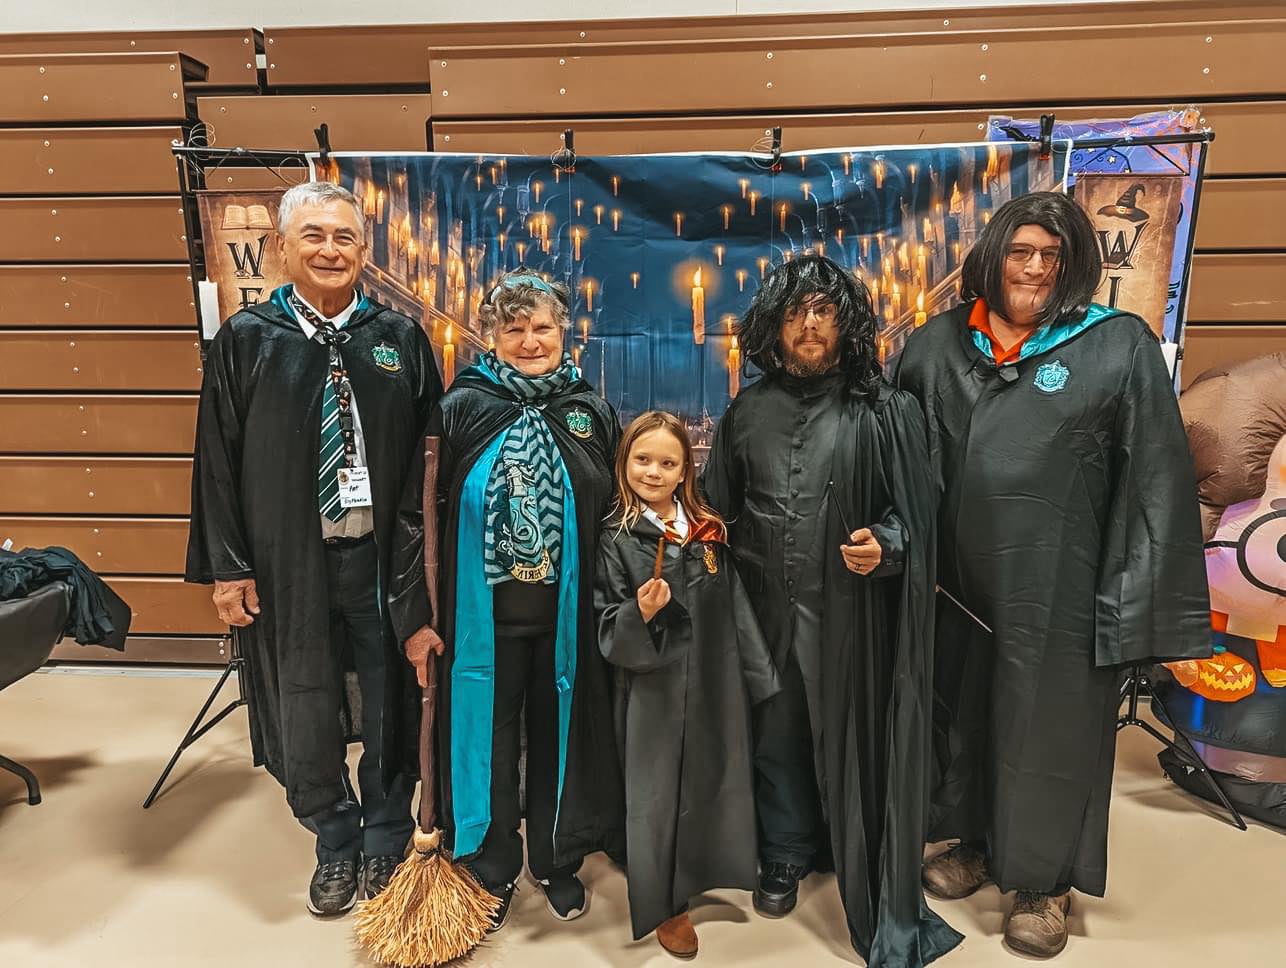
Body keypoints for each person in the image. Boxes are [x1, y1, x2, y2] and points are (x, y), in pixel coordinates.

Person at [894, 191, 1210, 958]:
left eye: (1052, 255)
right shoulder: (937, 346)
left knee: (1051, 732)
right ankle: (976, 842)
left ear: (1073, 265)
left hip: (1060, 589)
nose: (1035, 268)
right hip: (954, 587)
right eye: (1020, 251)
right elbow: (893, 462)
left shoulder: (1115, 346)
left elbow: (1155, 478)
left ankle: (1043, 884)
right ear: (992, 257)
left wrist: (1143, 604)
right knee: (966, 718)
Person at [185, 181, 443, 916]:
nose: (331, 250)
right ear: (283, 247)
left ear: (364, 249)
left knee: (390, 693)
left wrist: (427, 571)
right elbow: (217, 460)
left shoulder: (399, 339)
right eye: (314, 236)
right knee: (303, 696)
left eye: (344, 237)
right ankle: (333, 834)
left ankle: (386, 831)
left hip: (380, 561)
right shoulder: (247, 339)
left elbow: (431, 464)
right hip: (286, 561)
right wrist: (229, 567)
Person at [703, 255, 962, 966]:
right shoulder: (746, 411)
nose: (810, 325)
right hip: (763, 608)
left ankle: (858, 852)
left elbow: (921, 513)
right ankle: (786, 850)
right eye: (795, 313)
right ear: (773, 327)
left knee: (853, 732)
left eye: (823, 311)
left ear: (845, 322)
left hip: (851, 613)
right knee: (777, 728)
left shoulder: (885, 409)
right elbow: (715, 508)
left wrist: (889, 544)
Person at [389, 268, 625, 932]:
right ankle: (491, 864)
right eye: (514, 328)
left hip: (566, 623)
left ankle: (556, 858)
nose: (530, 341)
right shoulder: (462, 408)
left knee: (559, 741)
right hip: (481, 624)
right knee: (487, 747)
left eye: (542, 327)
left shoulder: (589, 412)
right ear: (491, 336)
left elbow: (615, 514)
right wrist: (415, 617)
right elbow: (416, 518)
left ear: (563, 332)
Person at [595, 411, 780, 958]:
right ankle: (664, 902)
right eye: (642, 459)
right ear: (624, 462)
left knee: (712, 777)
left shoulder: (705, 530)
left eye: (667, 462)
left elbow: (735, 604)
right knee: (655, 794)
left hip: (714, 682)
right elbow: (605, 622)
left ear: (685, 471)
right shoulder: (617, 538)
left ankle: (705, 871)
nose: (653, 472)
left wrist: (756, 674)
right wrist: (641, 613)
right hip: (653, 687)